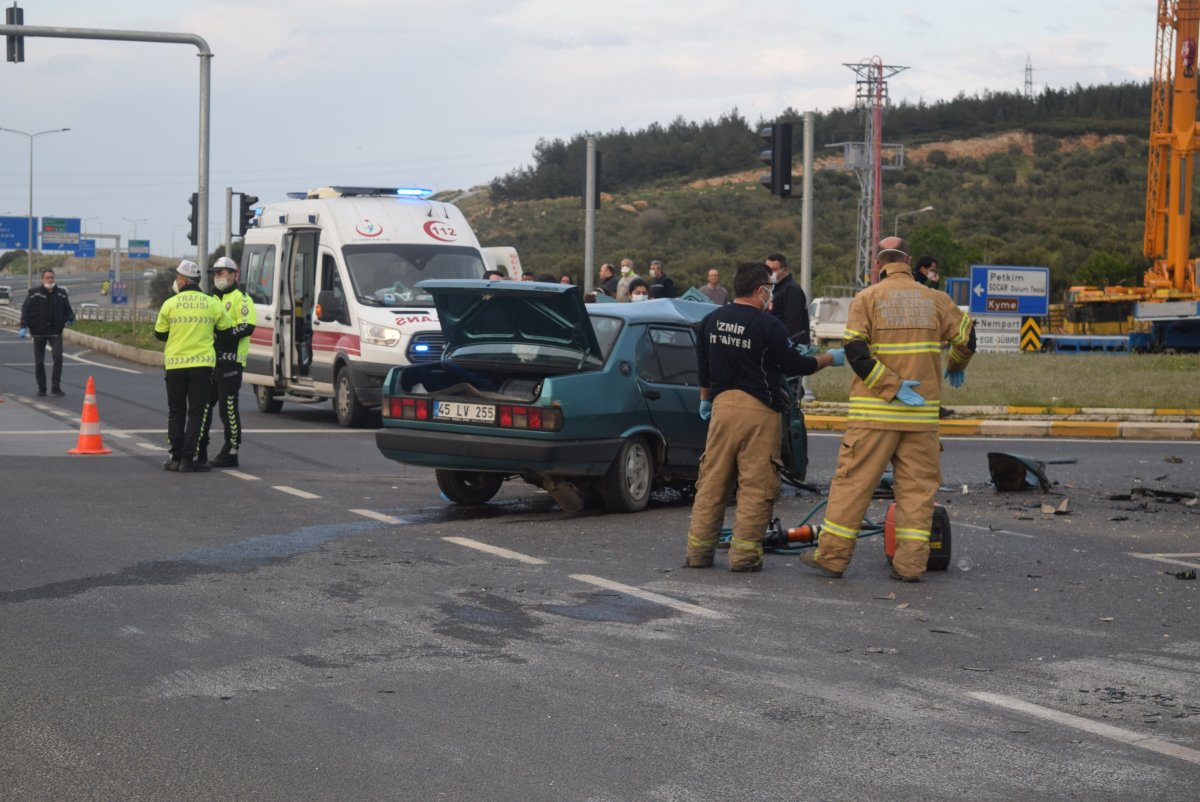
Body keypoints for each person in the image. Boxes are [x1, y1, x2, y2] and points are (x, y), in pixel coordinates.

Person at [799, 237, 975, 582]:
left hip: (874, 417)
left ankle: (833, 558)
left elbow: (855, 350)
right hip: (921, 420)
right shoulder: (937, 299)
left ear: (878, 265)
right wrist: (955, 364)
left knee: (852, 487)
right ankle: (910, 566)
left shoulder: (868, 298)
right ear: (908, 261)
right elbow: (967, 339)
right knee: (916, 494)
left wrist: (889, 387)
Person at [684, 262, 843, 572]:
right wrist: (828, 358)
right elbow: (795, 364)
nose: (771, 294)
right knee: (756, 486)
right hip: (758, 411)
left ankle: (698, 554)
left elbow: (703, 365)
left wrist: (706, 400)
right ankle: (743, 557)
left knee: (712, 483)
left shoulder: (711, 320)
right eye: (769, 288)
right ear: (760, 290)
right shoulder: (767, 324)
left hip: (720, 409)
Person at [154, 260, 233, 473]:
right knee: (197, 413)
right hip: (202, 365)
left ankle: (175, 457)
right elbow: (226, 330)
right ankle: (189, 460)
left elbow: (159, 333)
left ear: (182, 279)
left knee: (176, 411)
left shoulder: (170, 303)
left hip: (175, 364)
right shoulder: (212, 303)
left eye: (177, 277)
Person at [197, 256, 257, 469]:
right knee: (204, 406)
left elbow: (248, 326)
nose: (218, 277)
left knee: (227, 408)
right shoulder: (211, 300)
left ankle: (231, 451)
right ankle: (199, 448)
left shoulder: (241, 299)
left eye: (221, 273)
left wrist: (223, 334)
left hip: (231, 364)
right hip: (210, 362)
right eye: (215, 273)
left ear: (233, 275)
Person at [18, 269, 75, 397]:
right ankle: (42, 388)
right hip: (38, 332)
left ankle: (56, 387)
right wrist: (23, 326)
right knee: (39, 361)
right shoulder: (34, 294)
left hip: (55, 332)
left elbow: (68, 309)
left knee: (58, 357)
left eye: (52, 277)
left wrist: (71, 317)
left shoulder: (61, 294)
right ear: (42, 279)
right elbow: (25, 310)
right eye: (47, 278)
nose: (50, 280)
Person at [764, 253, 809, 344]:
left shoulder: (791, 290)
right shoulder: (774, 288)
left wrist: (786, 348)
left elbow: (793, 326)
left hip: (789, 346)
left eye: (773, 269)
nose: (769, 273)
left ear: (784, 270)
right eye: (767, 269)